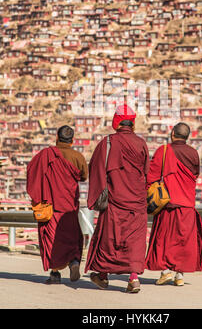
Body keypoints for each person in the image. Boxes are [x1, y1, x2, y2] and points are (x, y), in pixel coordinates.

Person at [85, 104, 150, 293]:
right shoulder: (141, 143)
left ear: (117, 122)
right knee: (134, 240)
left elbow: (95, 168)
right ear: (133, 123)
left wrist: (99, 192)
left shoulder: (108, 143)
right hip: (137, 201)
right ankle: (134, 278)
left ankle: (103, 276)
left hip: (115, 199)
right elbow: (146, 172)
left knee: (110, 238)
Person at [27, 125, 88, 284]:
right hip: (70, 205)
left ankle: (55, 274)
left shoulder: (46, 155)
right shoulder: (78, 156)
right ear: (72, 140)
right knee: (72, 236)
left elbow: (32, 171)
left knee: (53, 238)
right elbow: (84, 176)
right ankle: (74, 262)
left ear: (57, 138)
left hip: (51, 205)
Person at [145, 122, 202, 286]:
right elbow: (195, 174)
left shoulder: (164, 151)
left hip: (168, 203)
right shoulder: (193, 153)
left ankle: (165, 272)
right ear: (187, 136)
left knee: (165, 239)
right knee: (183, 241)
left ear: (172, 134)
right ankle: (180, 276)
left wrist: (149, 193)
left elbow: (152, 176)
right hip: (187, 204)